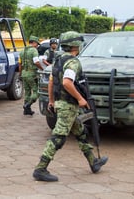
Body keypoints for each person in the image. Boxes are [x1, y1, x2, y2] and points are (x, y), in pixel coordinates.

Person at [33, 31, 108, 182]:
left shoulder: (59, 60)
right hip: (68, 106)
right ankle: (40, 168)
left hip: (62, 103)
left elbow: (52, 80)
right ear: (76, 45)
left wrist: (52, 100)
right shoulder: (73, 62)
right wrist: (80, 99)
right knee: (58, 137)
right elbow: (67, 82)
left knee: (81, 133)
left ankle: (93, 161)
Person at [19, 35, 43, 115]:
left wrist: (20, 74)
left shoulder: (22, 51)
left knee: (27, 92)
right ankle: (27, 105)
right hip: (32, 74)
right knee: (37, 91)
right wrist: (42, 68)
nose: (38, 45)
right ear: (34, 43)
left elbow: (20, 64)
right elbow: (36, 62)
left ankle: (26, 110)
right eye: (37, 44)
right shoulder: (34, 51)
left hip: (24, 74)